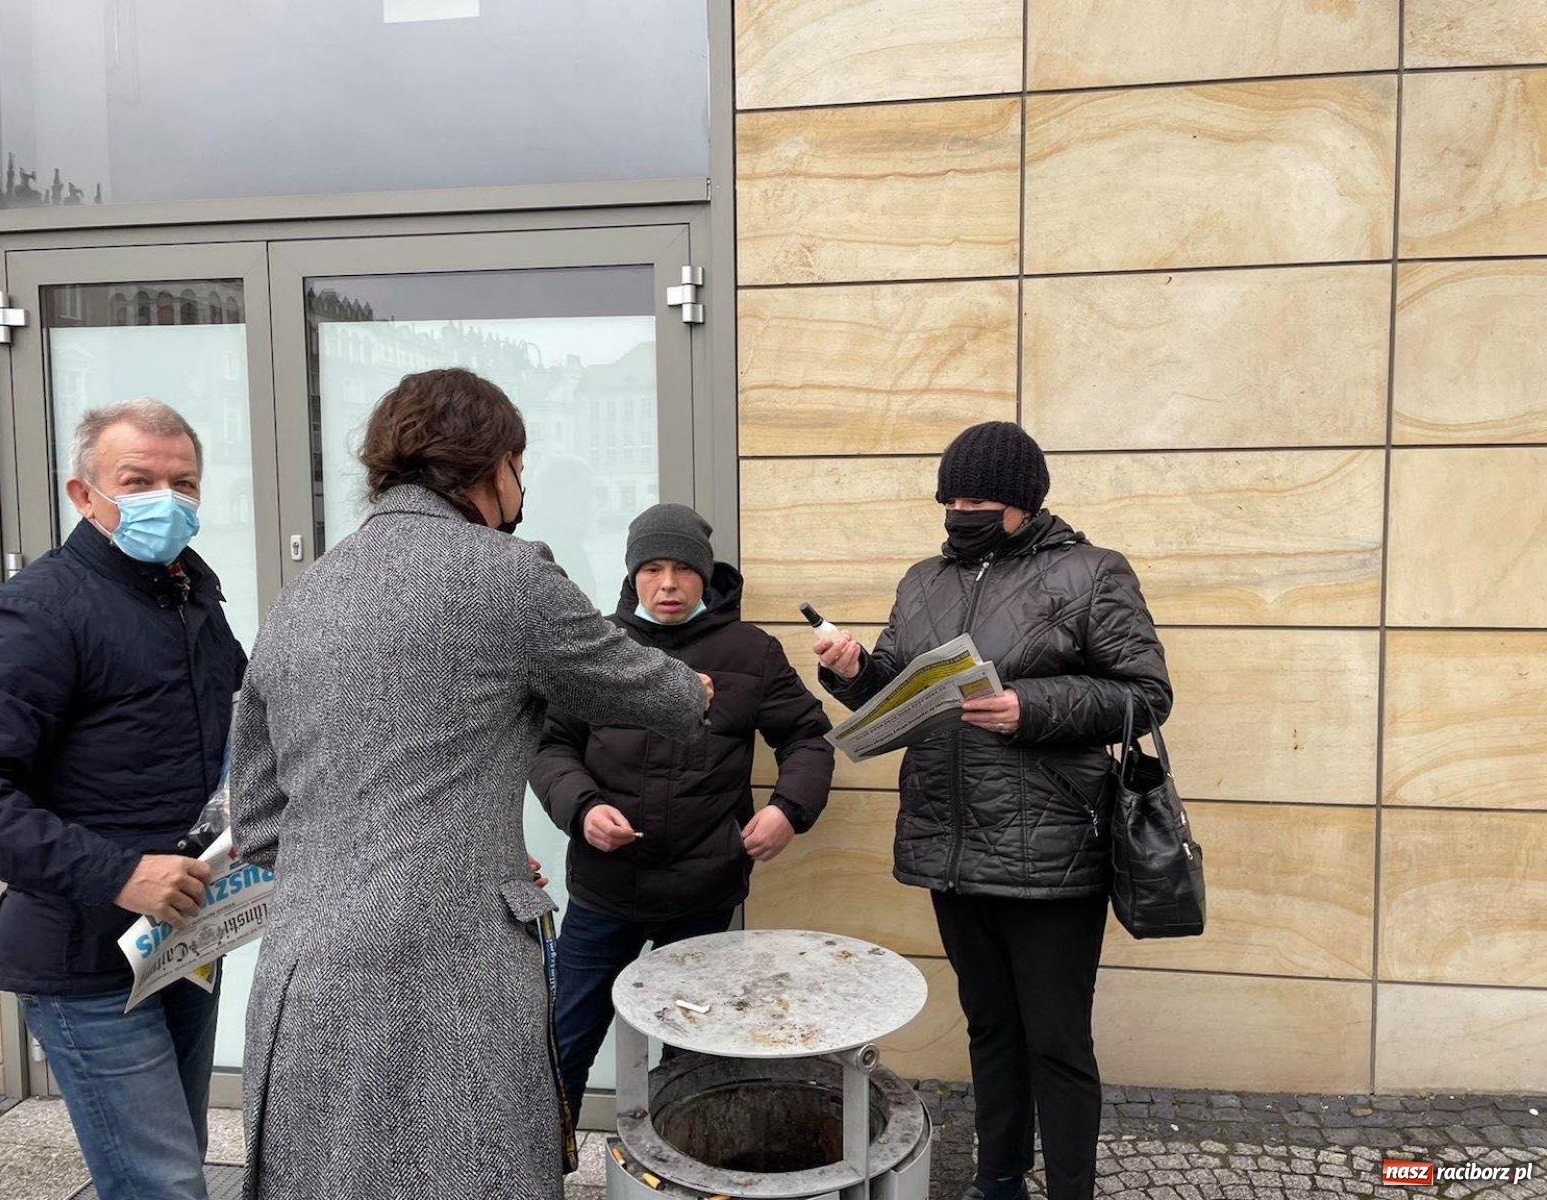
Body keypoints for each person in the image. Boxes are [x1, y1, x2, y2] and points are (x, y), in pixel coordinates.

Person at [229, 368, 711, 1200]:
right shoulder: (508, 576)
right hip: (453, 971)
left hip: (304, 967)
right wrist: (698, 689)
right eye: (518, 468)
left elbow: (260, 820)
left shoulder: (297, 599)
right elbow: (665, 699)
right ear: (496, 468)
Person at [815, 422, 1172, 1200]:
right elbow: (894, 688)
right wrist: (852, 674)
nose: (959, 510)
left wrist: (1029, 708)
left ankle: (1070, 1190)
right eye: (950, 497)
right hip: (952, 843)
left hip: (1052, 851)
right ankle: (997, 1178)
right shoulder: (921, 582)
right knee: (990, 1029)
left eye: (976, 498)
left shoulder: (1092, 573)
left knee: (1056, 1042)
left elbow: (1145, 695)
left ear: (1022, 501)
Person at [0, 400, 245, 1200]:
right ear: (83, 494)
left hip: (182, 937)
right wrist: (116, 873)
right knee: (163, 1185)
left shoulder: (191, 598)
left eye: (183, 482)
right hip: (81, 957)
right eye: (138, 480)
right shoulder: (40, 610)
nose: (167, 499)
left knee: (174, 1162)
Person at [530, 503, 835, 1126]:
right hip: (603, 889)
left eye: (680, 569)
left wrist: (787, 810)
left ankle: (681, 1170)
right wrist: (582, 808)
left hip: (702, 889)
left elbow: (807, 738)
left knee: (691, 1053)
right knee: (561, 1042)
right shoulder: (595, 645)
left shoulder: (752, 651)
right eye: (651, 569)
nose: (666, 584)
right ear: (632, 574)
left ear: (704, 573)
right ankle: (538, 1167)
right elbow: (551, 745)